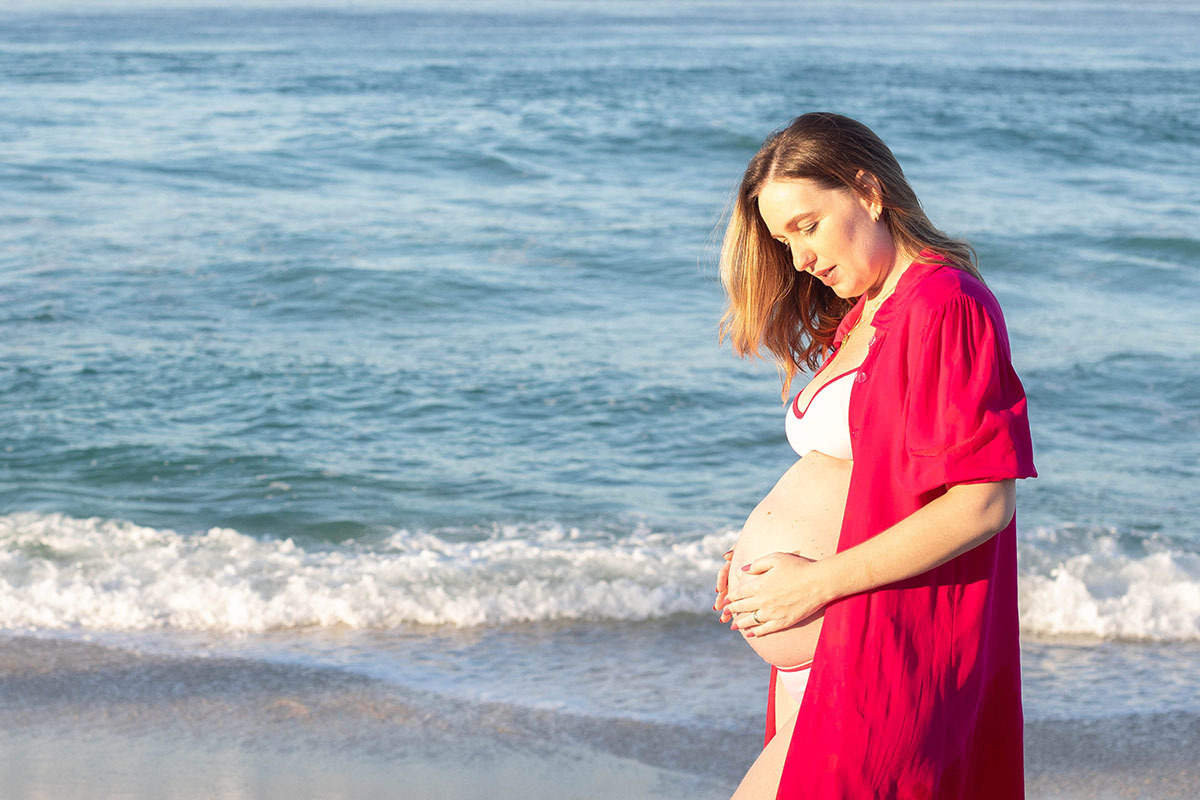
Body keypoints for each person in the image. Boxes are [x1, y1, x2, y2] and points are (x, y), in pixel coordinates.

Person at [711, 112, 1036, 799]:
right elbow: (855, 481)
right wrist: (760, 577)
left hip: (885, 652)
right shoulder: (865, 313)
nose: (799, 258)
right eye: (781, 239)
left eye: (807, 226)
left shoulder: (945, 304)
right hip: (826, 650)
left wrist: (815, 581)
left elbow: (983, 503)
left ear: (867, 191)